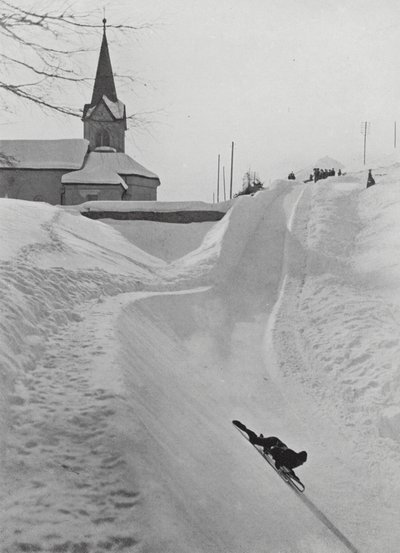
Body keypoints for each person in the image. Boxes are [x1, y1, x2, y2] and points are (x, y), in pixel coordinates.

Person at [233, 420, 307, 477]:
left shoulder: (295, 462)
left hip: (275, 446)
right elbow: (277, 452)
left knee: (264, 445)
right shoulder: (290, 454)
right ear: (298, 458)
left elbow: (288, 466)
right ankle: (243, 427)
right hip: (273, 442)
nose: (301, 464)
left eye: (302, 463)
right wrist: (278, 462)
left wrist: (293, 475)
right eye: (301, 462)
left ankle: (263, 441)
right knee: (254, 440)